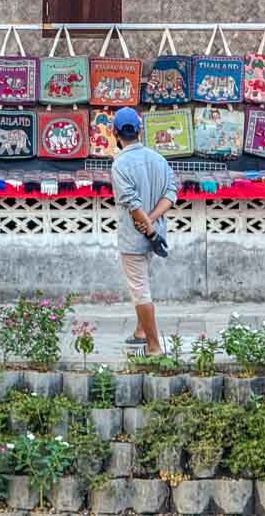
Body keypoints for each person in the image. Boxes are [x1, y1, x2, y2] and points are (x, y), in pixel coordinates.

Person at [110, 106, 177, 355]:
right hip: (156, 236)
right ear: (139, 131)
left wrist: (145, 225)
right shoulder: (158, 159)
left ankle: (154, 346)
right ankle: (140, 331)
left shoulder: (120, 164)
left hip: (135, 237)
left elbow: (132, 204)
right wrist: (153, 221)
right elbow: (171, 194)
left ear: (115, 133)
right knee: (145, 285)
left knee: (140, 291)